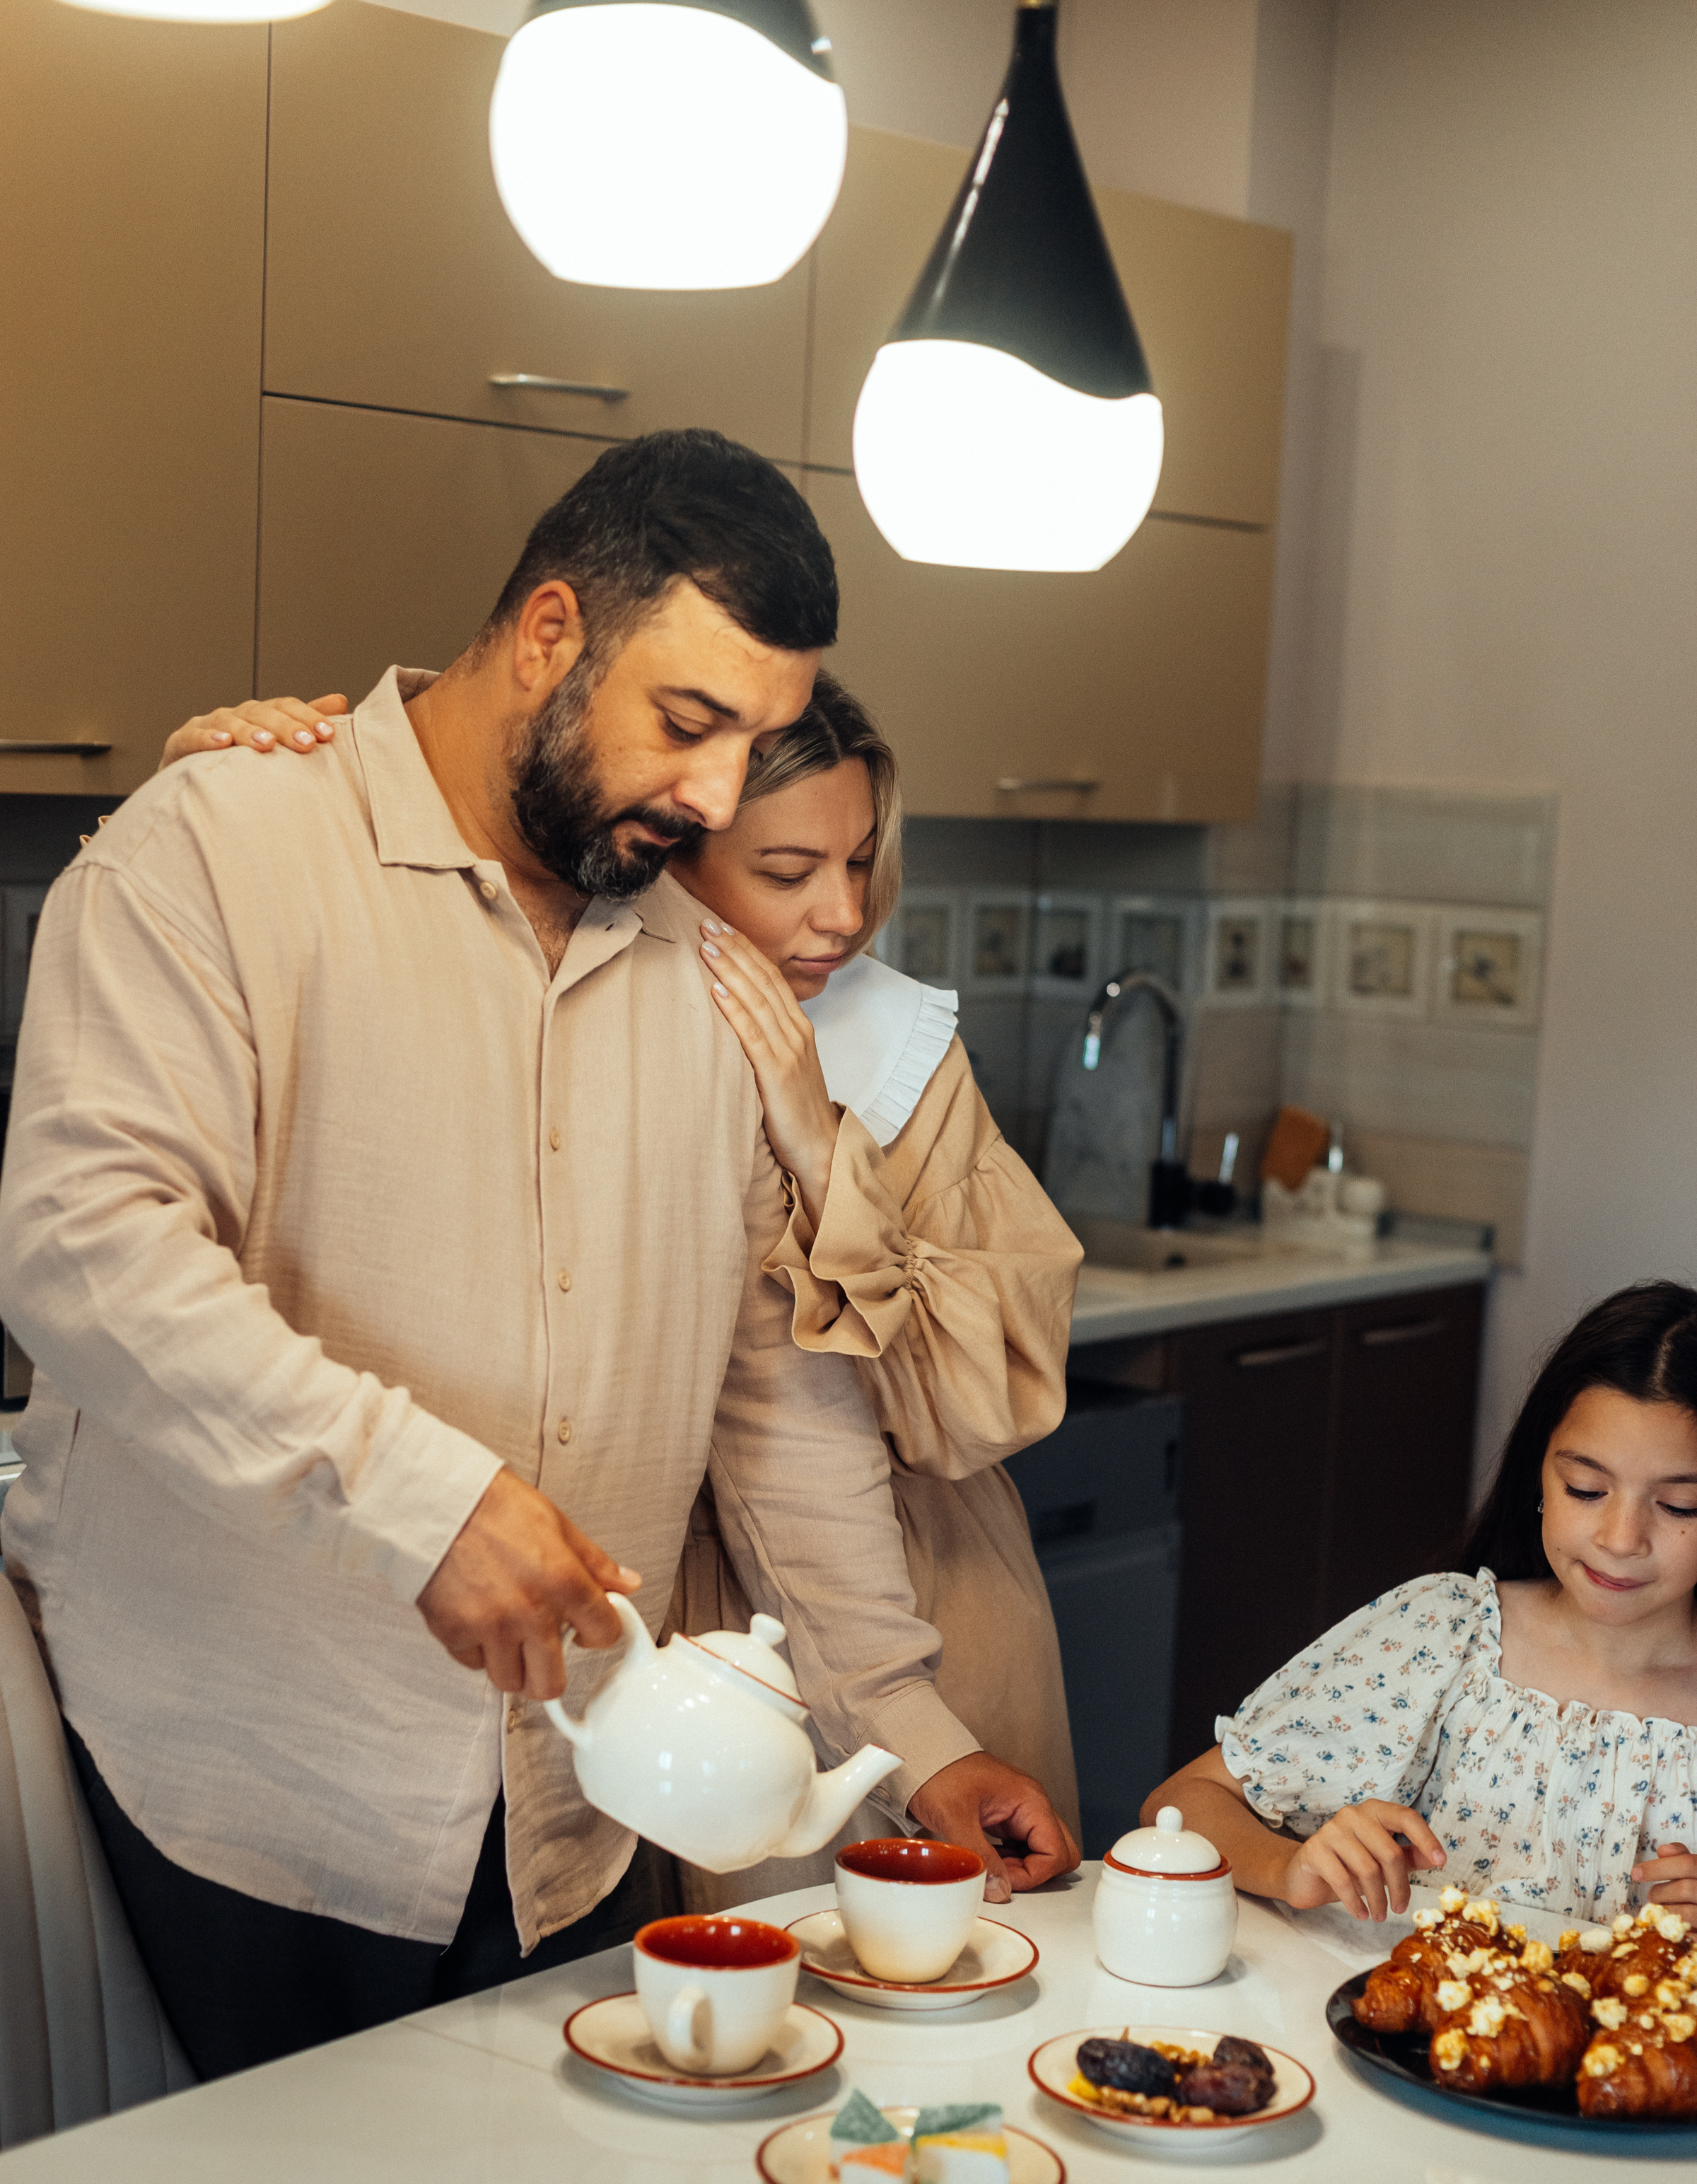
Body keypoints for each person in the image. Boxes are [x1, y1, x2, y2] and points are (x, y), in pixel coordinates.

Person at [0, 429, 1073, 2081]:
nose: (715, 798)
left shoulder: (699, 970)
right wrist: (423, 1501)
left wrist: (913, 1740)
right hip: (265, 1799)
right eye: (690, 723)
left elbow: (772, 1407)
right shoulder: (211, 852)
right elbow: (83, 1254)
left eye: (759, 744)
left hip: (582, 1807)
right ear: (551, 633)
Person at [165, 673, 1087, 1898]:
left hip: (905, 1606)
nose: (844, 914)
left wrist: (823, 1151)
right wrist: (231, 781)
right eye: (788, 869)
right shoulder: (532, 1002)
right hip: (647, 1624)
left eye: (862, 863)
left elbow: (979, 1404)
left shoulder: (899, 1047)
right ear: (656, 844)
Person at [1143, 1280, 1697, 1928]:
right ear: (1538, 1478)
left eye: (1681, 1506)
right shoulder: (1443, 1635)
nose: (1620, 1540)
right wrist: (1289, 1868)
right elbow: (1181, 1802)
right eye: (1585, 1489)